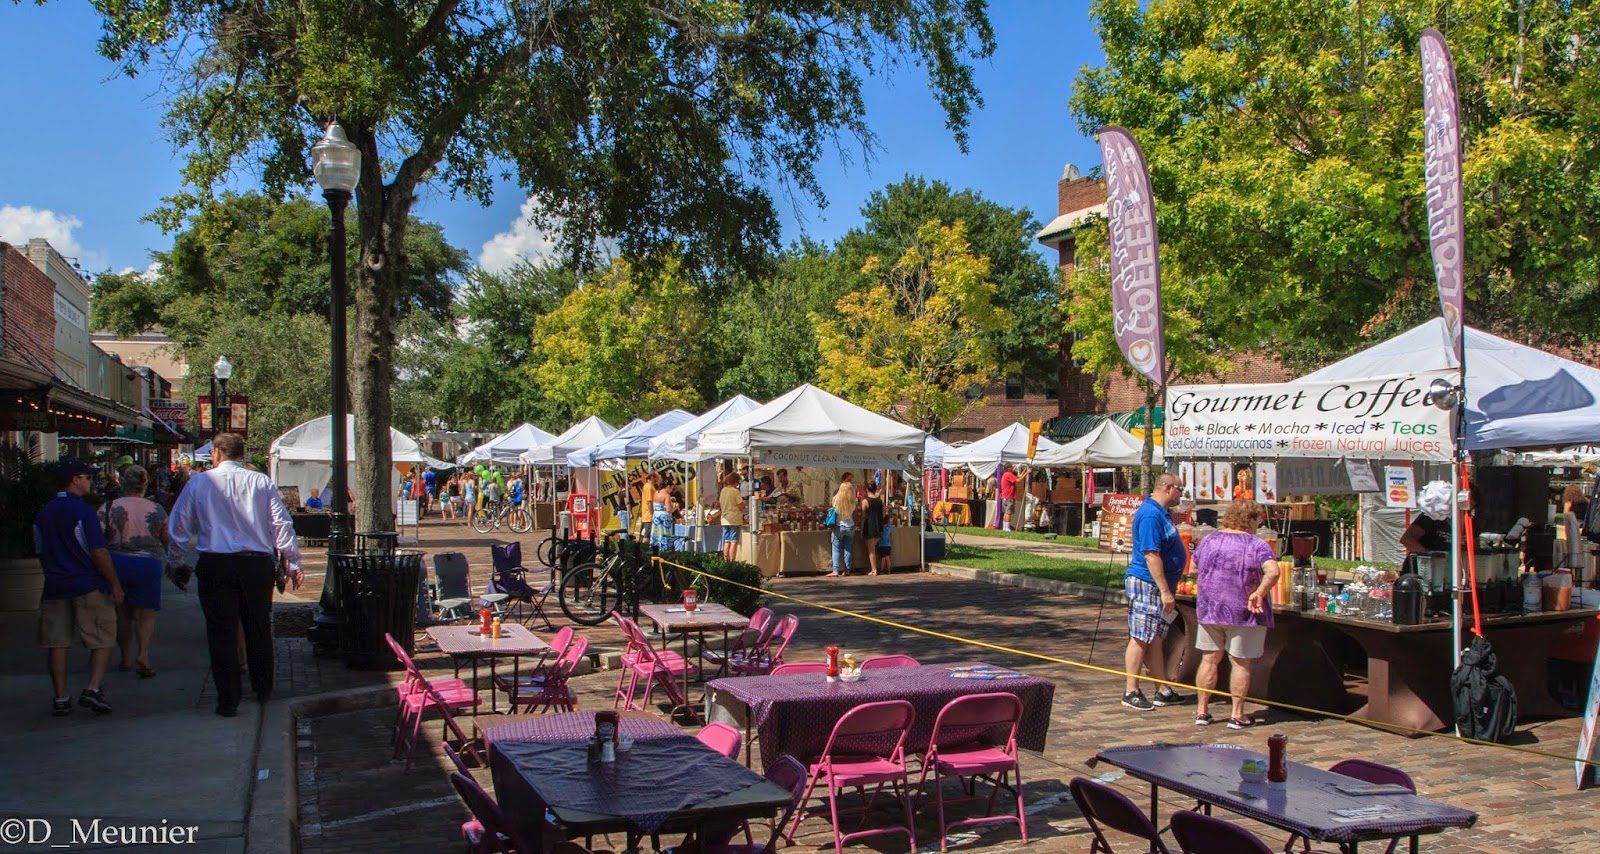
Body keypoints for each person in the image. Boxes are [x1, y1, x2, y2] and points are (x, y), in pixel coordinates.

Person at [167, 433, 302, 717]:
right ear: (241, 454)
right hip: (255, 564)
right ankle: (262, 687)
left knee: (221, 632)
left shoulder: (200, 482)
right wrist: (291, 560)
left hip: (216, 563)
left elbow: (178, 523)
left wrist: (176, 559)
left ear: (217, 453)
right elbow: (280, 523)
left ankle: (228, 699)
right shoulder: (260, 482)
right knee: (258, 626)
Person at [36, 459, 124, 717]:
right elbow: (97, 550)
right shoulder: (83, 512)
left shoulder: (44, 512)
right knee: (103, 636)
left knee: (57, 642)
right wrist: (114, 582)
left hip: (54, 584)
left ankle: (61, 695)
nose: (90, 482)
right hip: (87, 582)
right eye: (87, 477)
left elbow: (40, 549)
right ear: (75, 479)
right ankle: (93, 688)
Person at [1191, 500, 1278, 728]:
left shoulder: (1209, 539)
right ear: (1249, 519)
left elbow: (1192, 569)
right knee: (1240, 662)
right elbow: (1273, 572)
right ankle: (1237, 714)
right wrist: (1259, 592)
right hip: (1244, 611)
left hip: (1210, 608)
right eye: (1257, 519)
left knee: (1209, 659)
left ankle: (1202, 711)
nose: (1259, 524)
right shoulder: (1256, 545)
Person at [1122, 473, 1189, 712]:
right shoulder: (1150, 514)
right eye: (1180, 490)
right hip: (1146, 583)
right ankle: (1131, 690)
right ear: (1168, 488)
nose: (1182, 494)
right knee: (1140, 636)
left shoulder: (1162, 513)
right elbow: (1151, 554)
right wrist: (1164, 590)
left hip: (1161, 585)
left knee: (1156, 638)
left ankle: (1162, 689)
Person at [99, 465, 169, 679]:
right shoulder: (155, 509)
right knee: (145, 614)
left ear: (121, 482)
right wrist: (173, 563)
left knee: (122, 614)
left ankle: (125, 657)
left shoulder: (108, 507)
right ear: (145, 484)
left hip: (117, 562)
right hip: (148, 563)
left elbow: (97, 537)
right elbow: (166, 538)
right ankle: (144, 655)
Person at [828, 473, 858, 577]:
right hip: (850, 526)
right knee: (848, 548)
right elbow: (855, 513)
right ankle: (847, 570)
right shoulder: (853, 501)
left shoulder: (836, 499)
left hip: (839, 526)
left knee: (836, 548)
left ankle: (835, 570)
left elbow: (833, 511)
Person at [860, 481, 887, 576]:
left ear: (866, 489)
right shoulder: (881, 501)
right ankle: (874, 567)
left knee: (871, 551)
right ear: (876, 489)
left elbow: (863, 517)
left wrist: (861, 529)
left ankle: (874, 569)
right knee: (874, 549)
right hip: (879, 527)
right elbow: (883, 515)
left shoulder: (865, 502)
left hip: (869, 526)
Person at [718, 472, 744, 562]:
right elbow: (741, 505)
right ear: (736, 482)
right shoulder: (735, 491)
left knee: (726, 541)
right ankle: (732, 561)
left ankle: (726, 560)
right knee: (734, 541)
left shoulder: (723, 490)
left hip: (724, 518)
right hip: (734, 518)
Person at [998, 464, 1019, 531]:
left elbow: (1017, 477)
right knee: (1009, 513)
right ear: (1009, 468)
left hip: (1005, 496)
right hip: (1009, 496)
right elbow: (1018, 480)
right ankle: (1007, 528)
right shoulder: (1009, 474)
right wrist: (1027, 472)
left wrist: (1025, 471)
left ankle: (1004, 527)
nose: (1013, 468)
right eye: (1012, 467)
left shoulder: (1005, 474)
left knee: (1006, 512)